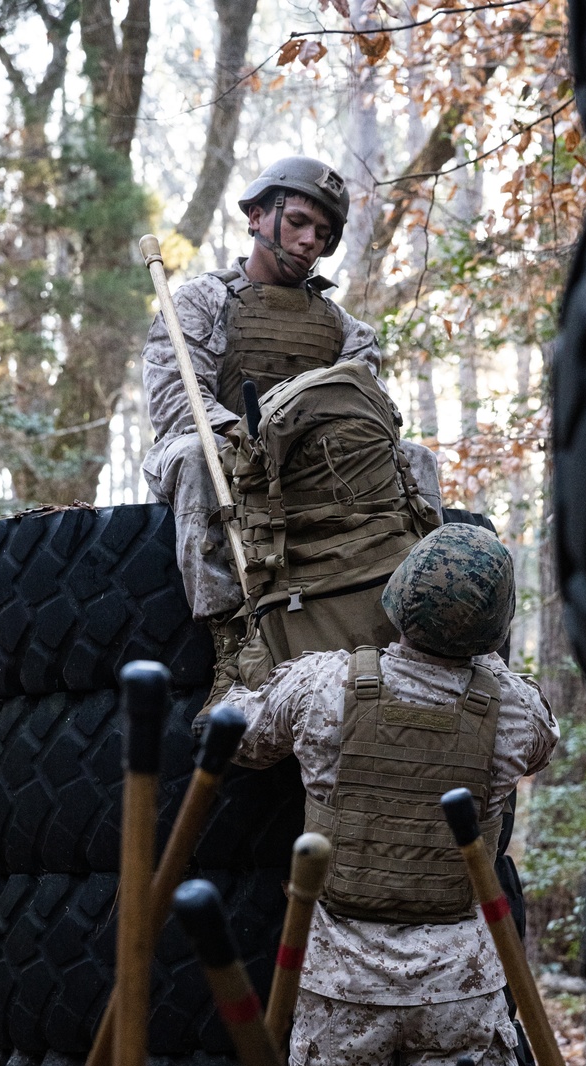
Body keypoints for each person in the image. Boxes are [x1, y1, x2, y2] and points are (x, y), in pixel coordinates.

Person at [220, 525, 560, 1066]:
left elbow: (239, 736)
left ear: (398, 598)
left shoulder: (325, 685)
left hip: (342, 982)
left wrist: (240, 664)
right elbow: (544, 741)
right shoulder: (514, 711)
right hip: (459, 987)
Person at [141, 157, 442, 703]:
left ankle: (425, 623)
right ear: (257, 215)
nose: (309, 241)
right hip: (224, 455)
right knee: (190, 457)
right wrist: (248, 438)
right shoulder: (201, 301)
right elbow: (176, 404)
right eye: (299, 222)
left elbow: (365, 419)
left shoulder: (347, 330)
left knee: (416, 459)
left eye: (323, 234)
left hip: (314, 466)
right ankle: (232, 647)